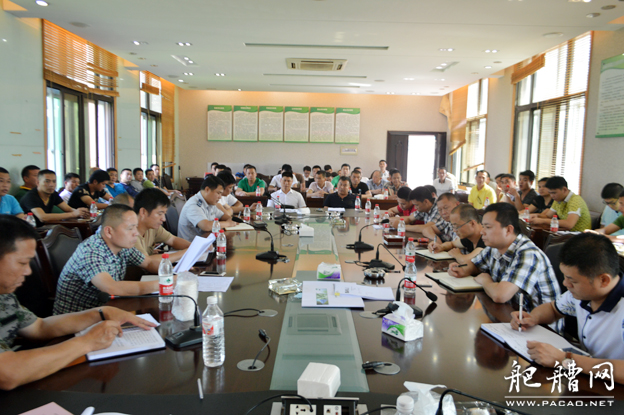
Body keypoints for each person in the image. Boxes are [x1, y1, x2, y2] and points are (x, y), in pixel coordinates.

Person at [0, 215, 156, 390]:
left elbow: (39, 327)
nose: (28, 271)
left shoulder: (5, 295)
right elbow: (7, 373)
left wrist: (101, 313)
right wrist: (87, 342)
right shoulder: (91, 250)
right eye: (22, 263)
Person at [510, 233, 624, 384]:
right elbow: (553, 309)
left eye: (572, 281)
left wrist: (565, 360)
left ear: (603, 280)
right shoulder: (582, 294)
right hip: (587, 377)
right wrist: (533, 318)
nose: (565, 284)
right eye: (565, 277)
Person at [448, 203, 560, 311]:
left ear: (508, 230)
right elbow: (474, 265)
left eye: (488, 227)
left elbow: (500, 295)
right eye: (483, 226)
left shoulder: (528, 254)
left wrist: (485, 280)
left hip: (535, 321)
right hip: (511, 313)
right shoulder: (494, 247)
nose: (482, 232)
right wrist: (460, 269)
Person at [53, 204, 161, 315]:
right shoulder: (90, 252)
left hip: (105, 311)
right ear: (109, 231)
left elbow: (148, 263)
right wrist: (164, 284)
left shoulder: (121, 245)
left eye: (136, 227)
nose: (136, 233)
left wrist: (169, 272)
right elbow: (111, 288)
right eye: (130, 228)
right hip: (76, 321)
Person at [133, 189, 191, 274]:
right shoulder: (131, 234)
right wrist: (186, 252)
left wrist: (194, 248)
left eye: (164, 214)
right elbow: (148, 262)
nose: (163, 219)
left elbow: (173, 240)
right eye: (160, 214)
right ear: (143, 212)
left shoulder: (153, 227)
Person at [19, 169, 90, 227]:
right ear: (38, 182)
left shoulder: (53, 194)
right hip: (30, 230)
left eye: (54, 181)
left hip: (46, 227)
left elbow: (68, 209)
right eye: (47, 181)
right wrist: (74, 214)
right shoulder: (30, 196)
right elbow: (43, 217)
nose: (51, 185)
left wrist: (81, 212)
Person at [177, 176, 235, 242]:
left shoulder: (210, 202)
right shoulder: (194, 204)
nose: (220, 197)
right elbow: (206, 226)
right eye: (218, 193)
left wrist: (230, 219)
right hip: (190, 245)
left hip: (205, 241)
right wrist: (228, 223)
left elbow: (222, 216)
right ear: (207, 189)